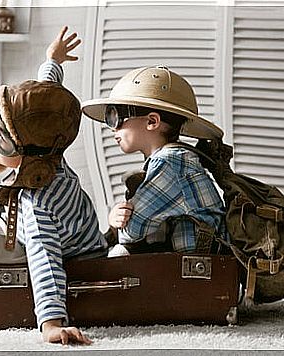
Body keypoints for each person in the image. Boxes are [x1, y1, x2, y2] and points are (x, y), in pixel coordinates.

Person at [0, 27, 107, 345]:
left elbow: (44, 257)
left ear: (27, 152)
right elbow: (47, 98)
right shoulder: (51, 151)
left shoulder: (38, 204)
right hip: (68, 234)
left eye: (3, 142)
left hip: (67, 252)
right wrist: (53, 60)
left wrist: (51, 323)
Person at [79, 65, 229, 256]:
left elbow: (131, 232)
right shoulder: (178, 158)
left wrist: (117, 220)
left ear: (152, 121)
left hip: (201, 276)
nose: (113, 128)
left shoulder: (170, 163)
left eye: (116, 117)